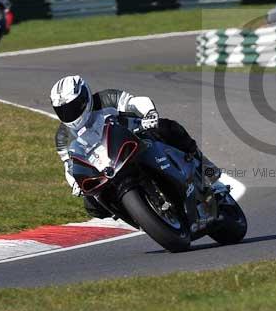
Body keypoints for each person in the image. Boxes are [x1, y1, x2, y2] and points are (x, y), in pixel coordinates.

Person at [50, 75, 221, 219]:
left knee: (166, 127)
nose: (69, 114)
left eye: (72, 107)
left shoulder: (105, 99)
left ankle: (205, 167)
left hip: (135, 141)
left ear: (84, 98)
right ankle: (137, 215)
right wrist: (74, 183)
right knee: (91, 204)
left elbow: (134, 102)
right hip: (105, 168)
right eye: (62, 110)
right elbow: (70, 165)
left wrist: (149, 114)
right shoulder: (63, 136)